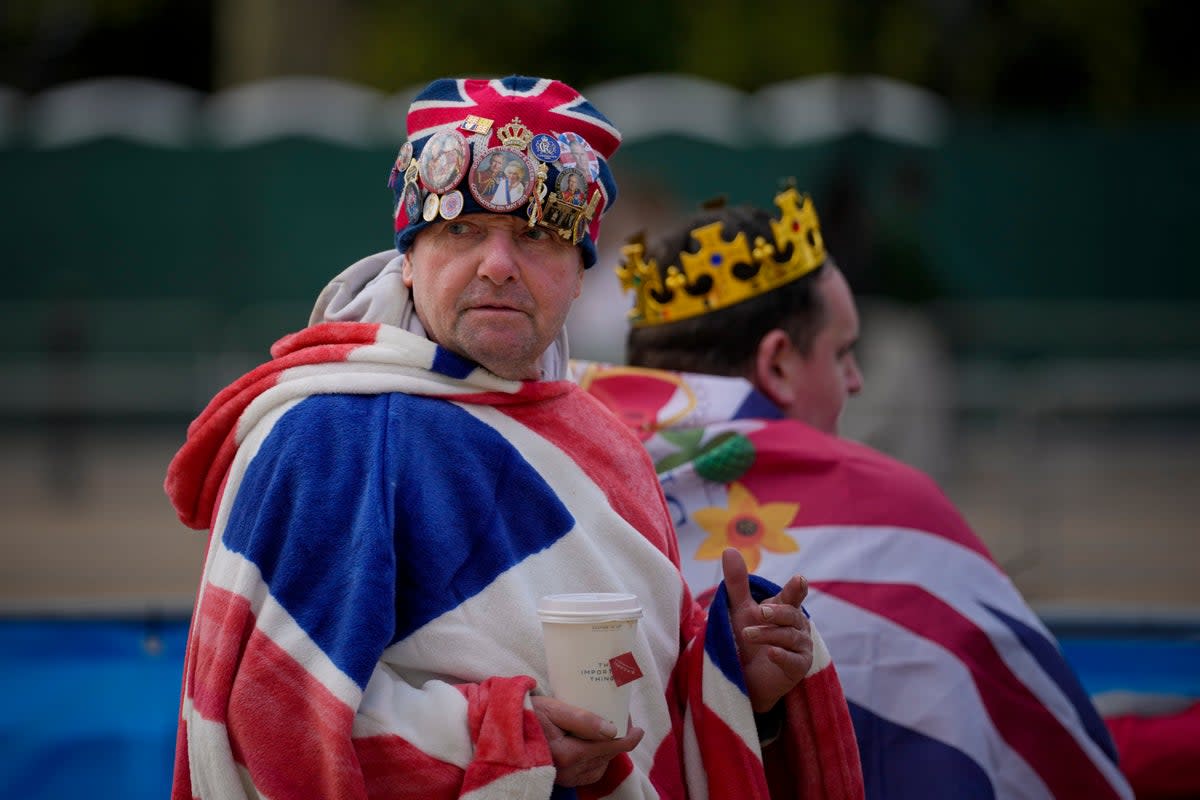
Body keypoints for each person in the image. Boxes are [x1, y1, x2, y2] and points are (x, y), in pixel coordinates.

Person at [163, 77, 864, 799]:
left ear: (580, 275)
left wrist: (735, 673)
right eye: (461, 230)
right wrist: (507, 738)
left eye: (535, 236)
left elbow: (641, 689)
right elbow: (269, 715)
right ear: (409, 257)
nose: (498, 264)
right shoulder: (329, 438)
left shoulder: (603, 439)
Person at [572, 186, 1135, 799]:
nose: (857, 382)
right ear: (779, 363)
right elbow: (1036, 747)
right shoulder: (890, 514)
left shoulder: (557, 473)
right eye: (842, 353)